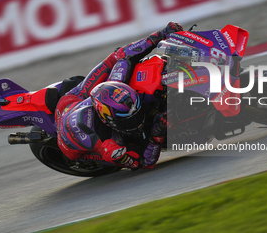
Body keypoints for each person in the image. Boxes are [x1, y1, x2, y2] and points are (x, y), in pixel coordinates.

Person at [55, 22, 183, 169]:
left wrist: (161, 34)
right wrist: (157, 131)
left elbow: (125, 54)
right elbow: (144, 162)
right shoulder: (110, 144)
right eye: (130, 120)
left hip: (72, 101)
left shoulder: (115, 81)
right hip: (70, 143)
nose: (138, 121)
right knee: (126, 150)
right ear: (110, 121)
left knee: (116, 57)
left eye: (137, 112)